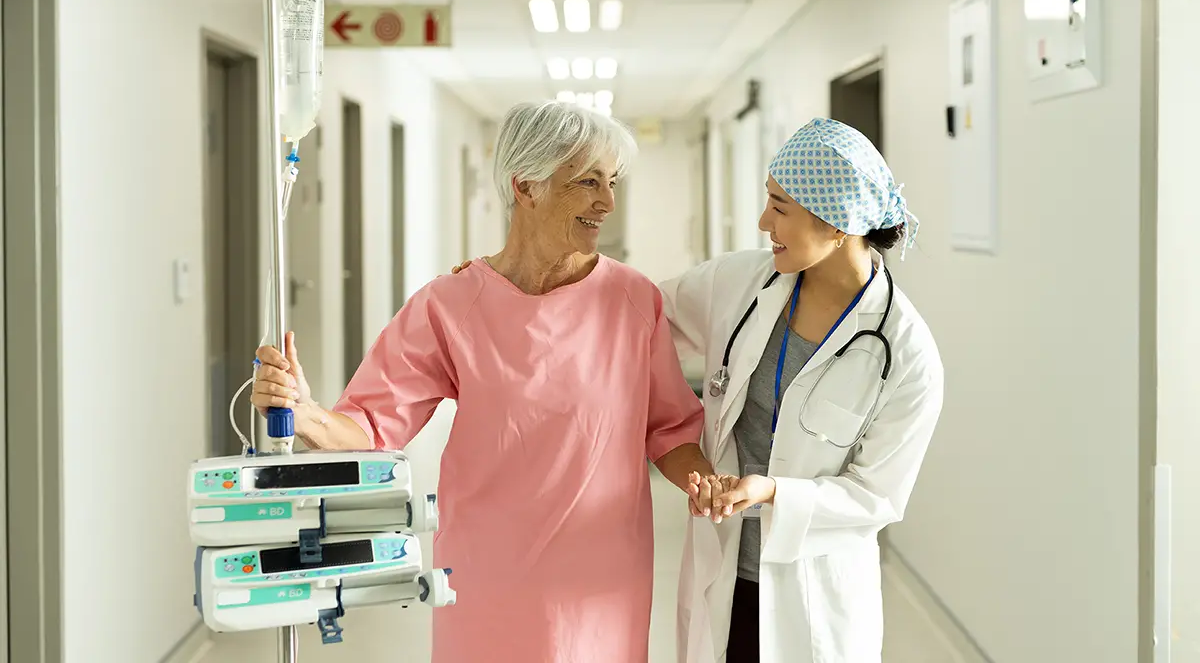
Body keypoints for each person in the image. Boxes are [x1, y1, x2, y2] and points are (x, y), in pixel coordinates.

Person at [250, 101, 713, 663]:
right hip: (484, 574)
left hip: (599, 574)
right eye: (588, 181)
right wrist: (306, 414)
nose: (607, 202)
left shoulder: (633, 301)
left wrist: (706, 483)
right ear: (526, 186)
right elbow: (372, 426)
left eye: (611, 182)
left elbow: (669, 428)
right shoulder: (451, 305)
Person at [666, 118, 944, 663]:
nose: (763, 220)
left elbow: (877, 494)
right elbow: (637, 315)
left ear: (838, 222)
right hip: (723, 573)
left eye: (780, 207)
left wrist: (772, 493)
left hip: (813, 594)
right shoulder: (740, 283)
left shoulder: (906, 354)